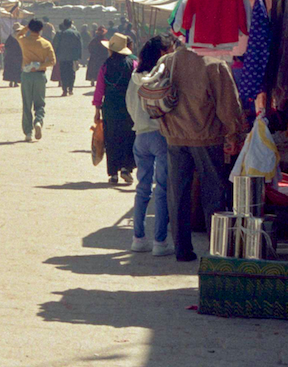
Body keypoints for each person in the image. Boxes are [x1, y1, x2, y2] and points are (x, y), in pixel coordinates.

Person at [158, 41, 246, 262]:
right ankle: (215, 250)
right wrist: (234, 134)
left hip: (174, 138)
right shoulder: (213, 64)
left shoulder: (166, 62)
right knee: (213, 195)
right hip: (206, 138)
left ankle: (182, 250)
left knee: (178, 195)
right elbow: (228, 105)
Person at [126, 36, 173, 256]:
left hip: (140, 137)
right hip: (160, 135)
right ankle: (160, 242)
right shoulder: (163, 75)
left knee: (142, 188)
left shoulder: (135, 76)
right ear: (163, 52)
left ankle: (138, 239)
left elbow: (129, 105)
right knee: (161, 190)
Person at [93, 34, 136, 185]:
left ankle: (113, 174)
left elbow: (99, 88)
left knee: (111, 139)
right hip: (128, 107)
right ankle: (126, 168)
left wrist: (97, 108)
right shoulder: (133, 65)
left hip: (110, 106)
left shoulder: (105, 65)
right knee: (128, 136)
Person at [13, 19, 56, 141]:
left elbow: (18, 34)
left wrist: (26, 27)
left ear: (30, 28)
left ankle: (28, 132)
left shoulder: (24, 41)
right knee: (40, 103)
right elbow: (52, 61)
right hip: (40, 76)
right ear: (41, 29)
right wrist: (39, 66)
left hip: (26, 76)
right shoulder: (46, 44)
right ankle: (38, 121)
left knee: (27, 103)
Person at [53, 18, 83, 96]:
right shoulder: (76, 33)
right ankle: (71, 89)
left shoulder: (59, 33)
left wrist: (54, 55)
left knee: (63, 73)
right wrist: (79, 56)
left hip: (62, 57)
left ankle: (64, 90)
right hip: (72, 57)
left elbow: (55, 45)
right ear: (71, 24)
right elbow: (79, 45)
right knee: (71, 72)